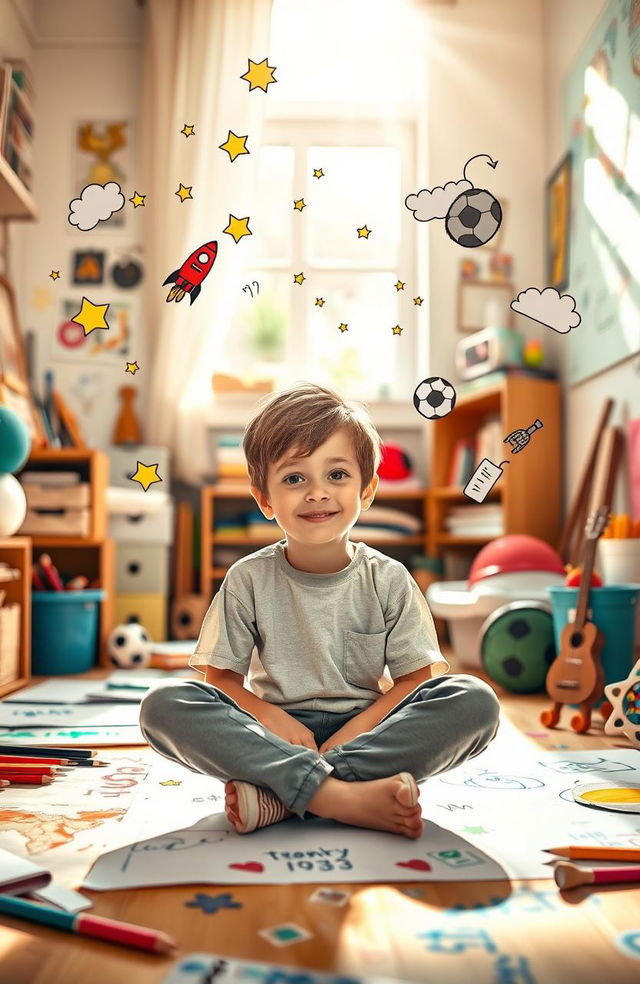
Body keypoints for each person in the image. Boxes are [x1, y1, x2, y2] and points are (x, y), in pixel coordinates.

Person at [140, 382, 500, 838]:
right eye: (294, 478)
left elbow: (413, 681)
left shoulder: (389, 579)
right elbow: (222, 680)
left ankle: (283, 796)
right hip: (274, 734)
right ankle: (341, 797)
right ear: (264, 499)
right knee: (163, 705)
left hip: (370, 734)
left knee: (474, 700)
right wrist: (274, 721)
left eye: (337, 475)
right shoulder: (248, 578)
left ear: (367, 491)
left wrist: (350, 738)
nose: (317, 493)